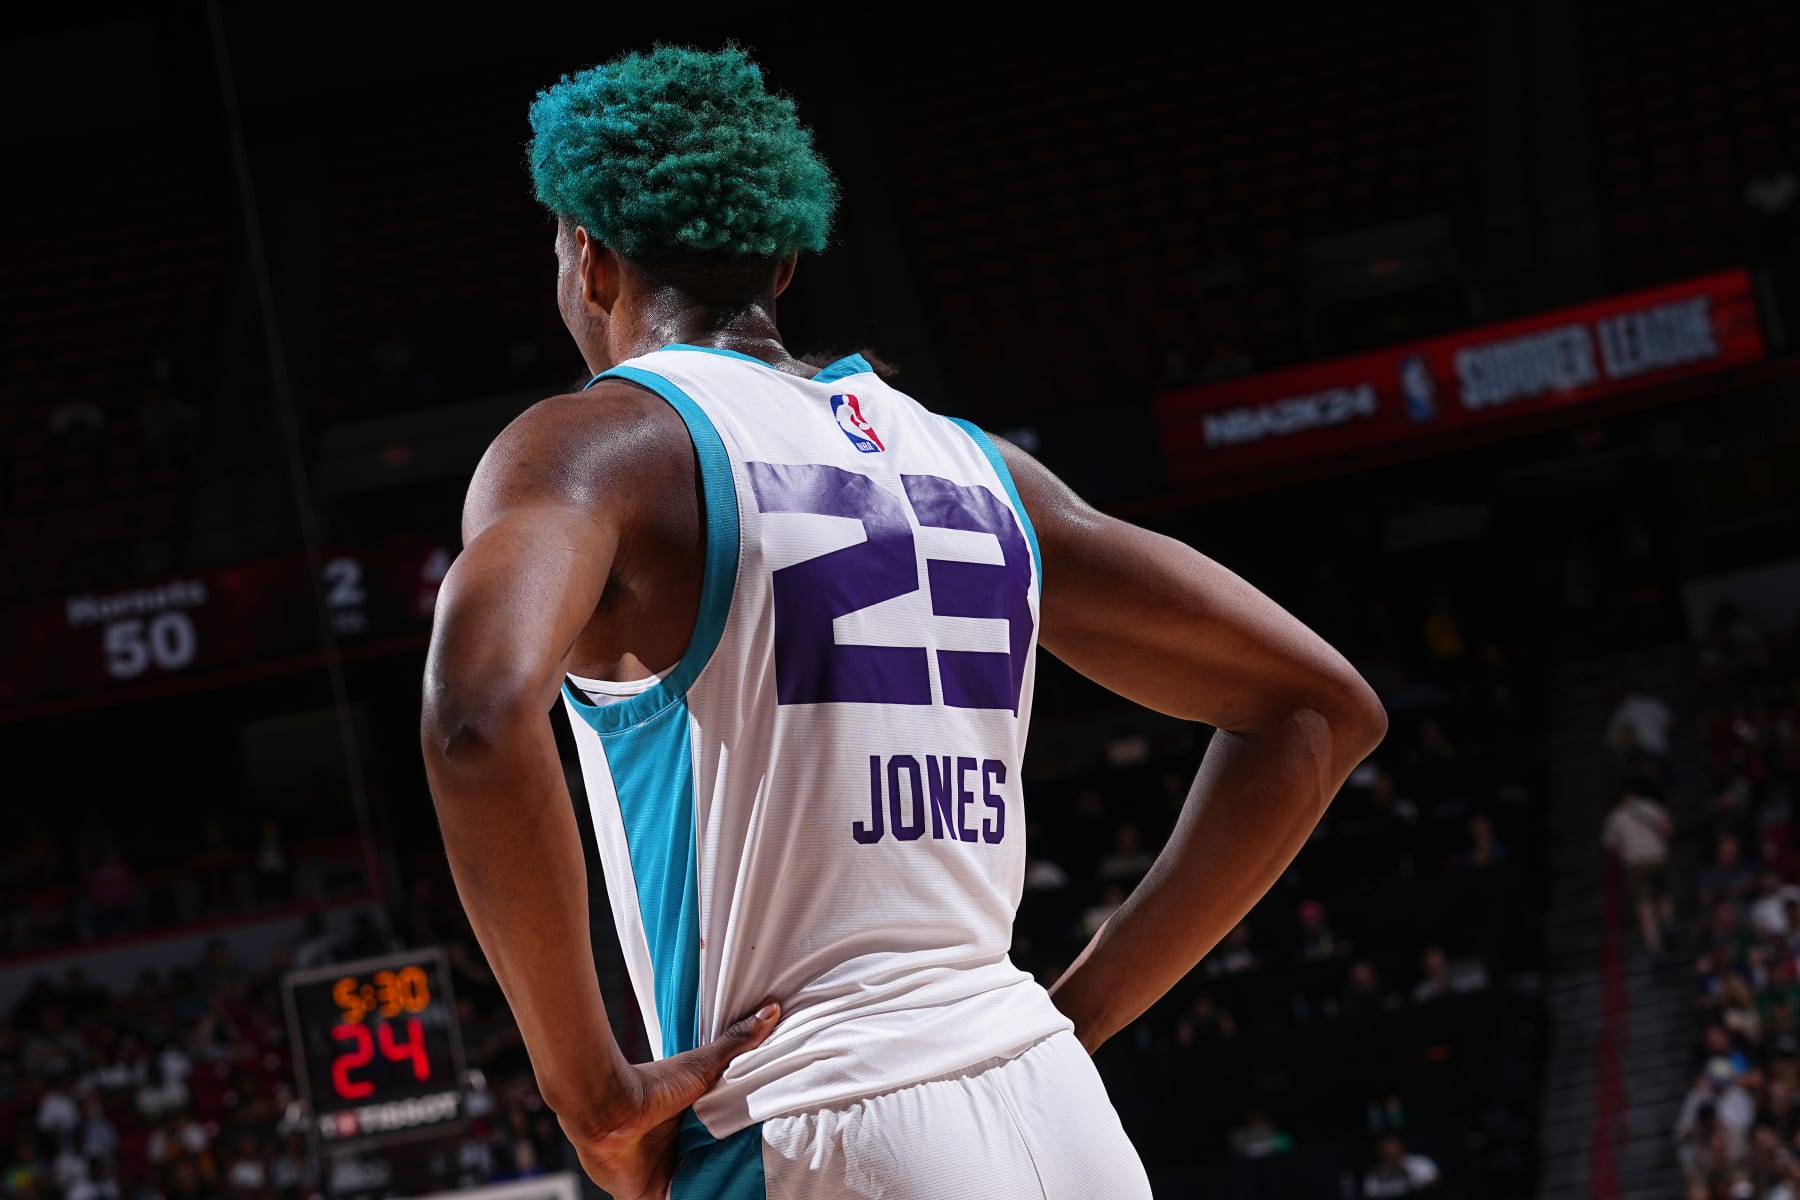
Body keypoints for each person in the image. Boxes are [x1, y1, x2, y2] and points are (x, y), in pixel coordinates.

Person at [421, 44, 1387, 1200]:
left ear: (588, 257)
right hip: (1058, 1115)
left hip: (811, 1126)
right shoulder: (982, 469)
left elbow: (475, 722)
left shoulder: (595, 450)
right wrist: (1073, 1019)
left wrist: (593, 1097)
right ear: (784, 257)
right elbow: (1318, 708)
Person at [1602, 788, 1675, 952]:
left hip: (1635, 862)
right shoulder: (1651, 806)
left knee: (1644, 903)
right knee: (1663, 894)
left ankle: (1654, 944)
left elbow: (1610, 846)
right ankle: (1668, 922)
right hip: (1658, 856)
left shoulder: (1617, 815)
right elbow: (1668, 830)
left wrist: (1624, 851)